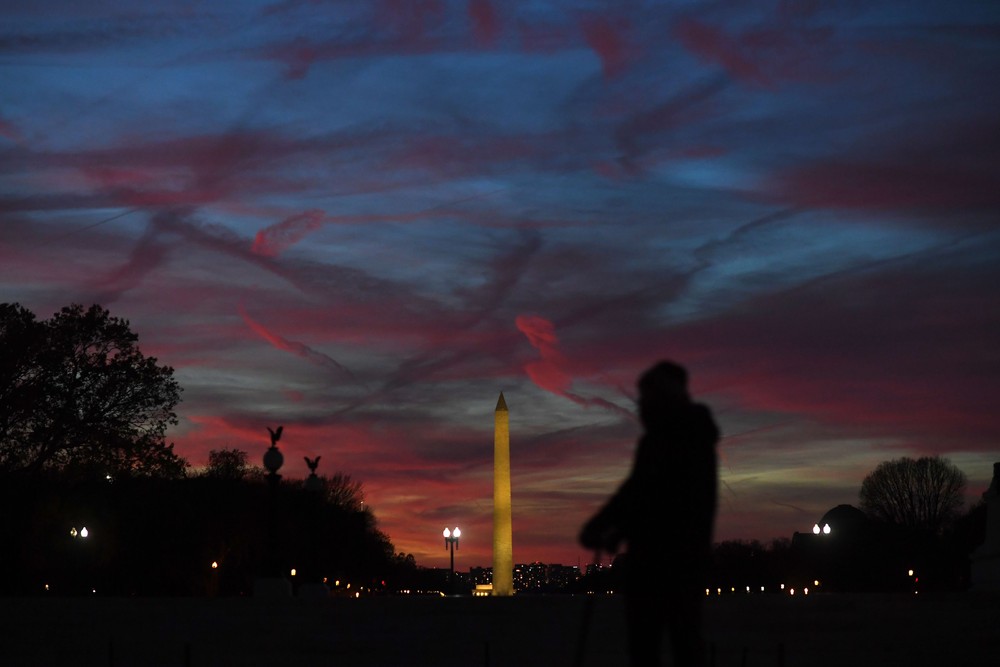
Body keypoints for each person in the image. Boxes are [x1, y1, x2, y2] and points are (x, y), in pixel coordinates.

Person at [579, 361, 719, 667]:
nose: (641, 406)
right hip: (655, 560)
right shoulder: (658, 441)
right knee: (650, 646)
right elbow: (635, 492)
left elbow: (664, 497)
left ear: (664, 398)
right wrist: (606, 525)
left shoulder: (686, 437)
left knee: (677, 645)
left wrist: (615, 528)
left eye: (646, 398)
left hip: (677, 559)